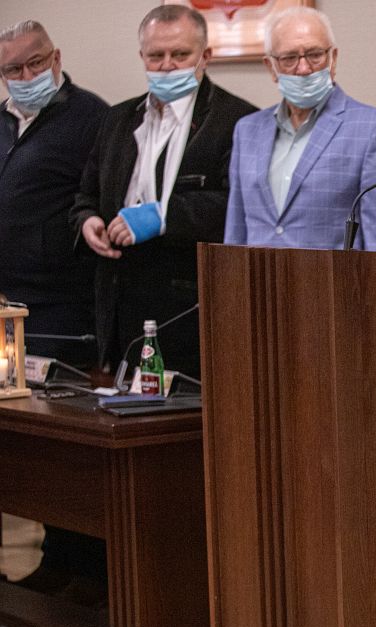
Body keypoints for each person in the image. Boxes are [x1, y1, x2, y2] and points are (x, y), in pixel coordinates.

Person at [70, 4, 256, 382]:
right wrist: (88, 221)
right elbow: (86, 194)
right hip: (120, 306)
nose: (167, 66)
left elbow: (241, 206)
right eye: (156, 56)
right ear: (142, 56)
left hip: (191, 306)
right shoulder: (117, 119)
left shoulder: (239, 121)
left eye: (180, 54)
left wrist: (164, 215)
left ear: (206, 55)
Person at [1, 20, 109, 607]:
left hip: (60, 305)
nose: (26, 76)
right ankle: (49, 558)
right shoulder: (2, 120)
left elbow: (95, 200)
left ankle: (83, 567)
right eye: (13, 69)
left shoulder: (91, 119)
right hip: (5, 307)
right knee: (19, 443)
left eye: (35, 63)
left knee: (63, 444)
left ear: (56, 57)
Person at [224, 7, 376, 251]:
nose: (303, 69)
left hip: (333, 277)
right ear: (271, 67)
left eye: (314, 55)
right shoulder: (247, 130)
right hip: (259, 276)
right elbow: (235, 237)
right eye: (289, 58)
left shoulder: (375, 130)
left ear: (333, 59)